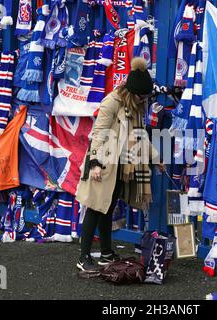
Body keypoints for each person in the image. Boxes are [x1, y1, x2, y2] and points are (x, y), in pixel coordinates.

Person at [75, 57, 165, 272]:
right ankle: (83, 257)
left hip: (119, 166)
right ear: (134, 92)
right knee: (95, 209)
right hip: (103, 164)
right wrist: (95, 163)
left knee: (107, 209)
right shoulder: (112, 102)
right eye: (143, 96)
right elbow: (98, 133)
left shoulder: (133, 105)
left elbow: (140, 136)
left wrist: (157, 158)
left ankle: (106, 253)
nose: (145, 100)